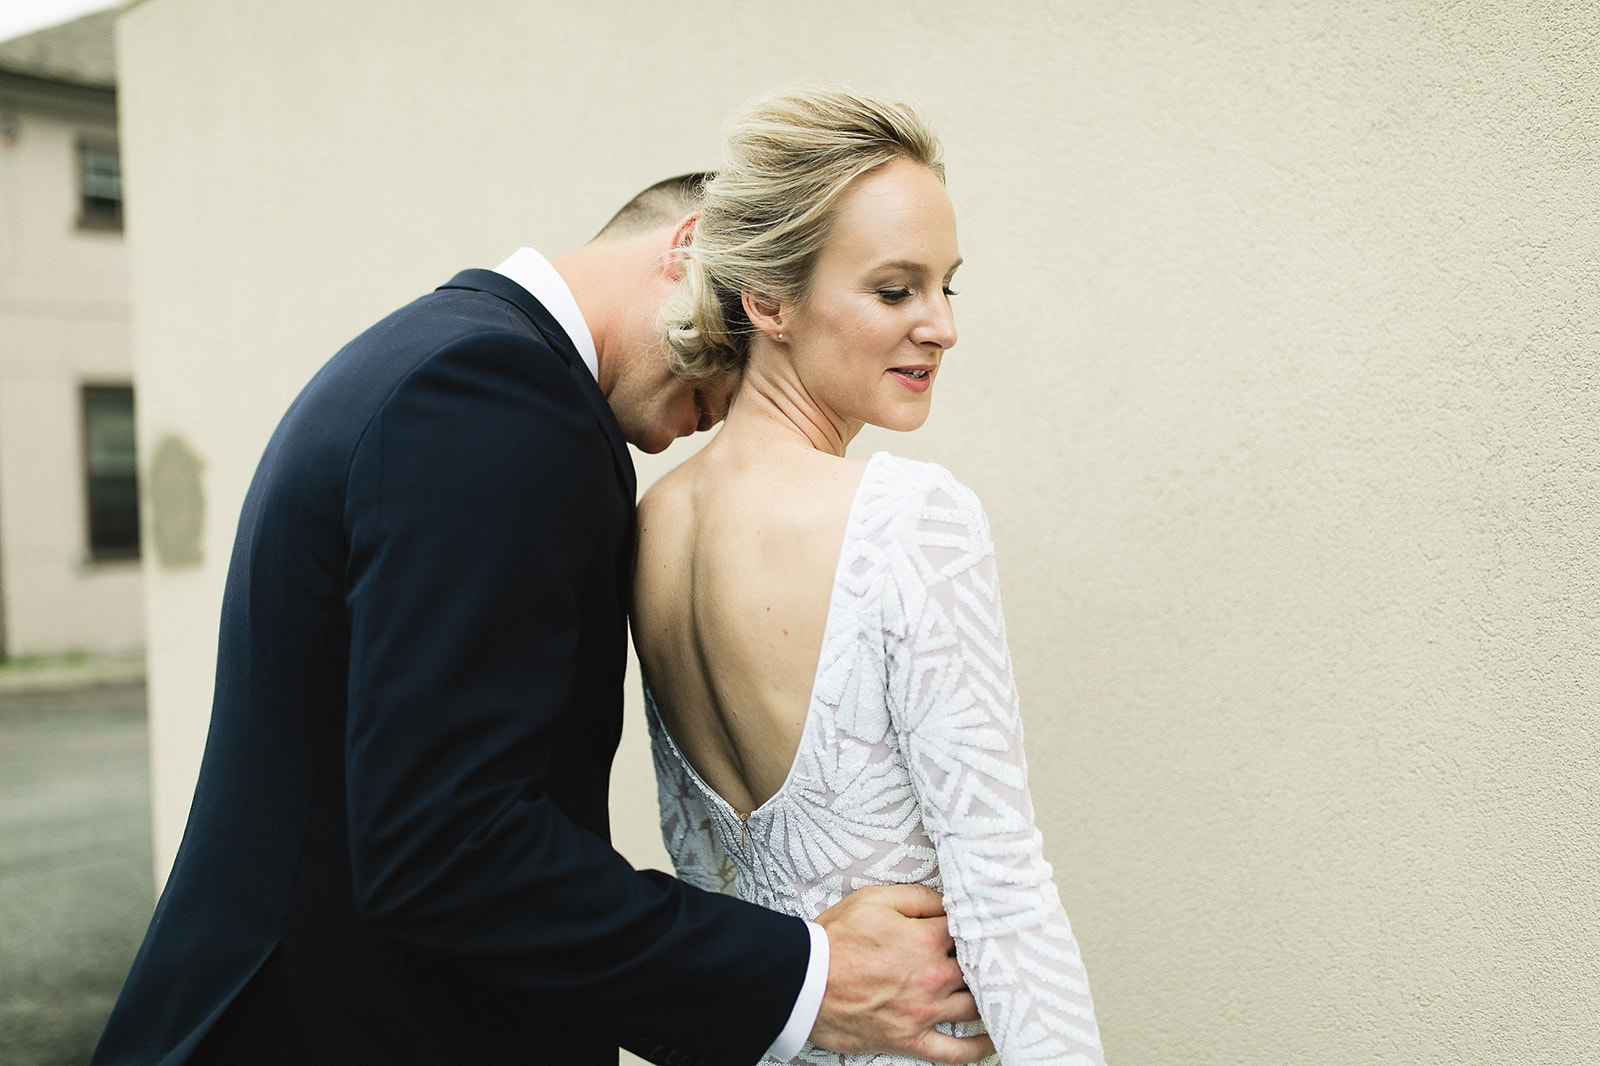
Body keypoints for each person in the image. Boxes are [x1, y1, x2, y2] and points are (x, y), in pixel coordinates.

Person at [92, 176, 997, 1065]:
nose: (740, 392)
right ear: (688, 253)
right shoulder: (490, 398)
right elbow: (449, 847)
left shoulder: (446, 357)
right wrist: (808, 979)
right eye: (745, 329)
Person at [633, 88, 1109, 1065]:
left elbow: (702, 870)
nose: (940, 326)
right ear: (767, 302)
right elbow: (999, 878)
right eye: (895, 290)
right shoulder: (909, 518)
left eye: (947, 286)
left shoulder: (652, 526)